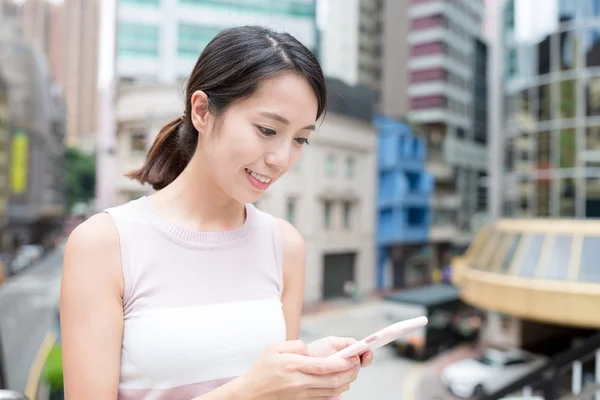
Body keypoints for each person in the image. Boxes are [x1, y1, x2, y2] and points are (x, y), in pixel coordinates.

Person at [60, 25, 373, 400]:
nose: (281, 159)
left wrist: (308, 380)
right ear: (202, 111)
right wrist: (248, 390)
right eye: (267, 129)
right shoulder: (104, 244)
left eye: (300, 139)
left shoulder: (284, 244)